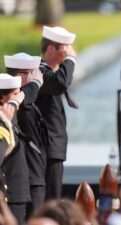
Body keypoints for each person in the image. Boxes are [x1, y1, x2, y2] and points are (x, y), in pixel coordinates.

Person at [35, 26, 77, 199]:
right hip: (47, 147)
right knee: (50, 200)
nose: (68, 53)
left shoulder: (46, 72)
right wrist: (71, 60)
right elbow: (60, 83)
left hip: (52, 148)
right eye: (64, 49)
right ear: (51, 49)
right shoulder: (36, 71)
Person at [4, 52, 48, 216]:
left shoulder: (23, 101)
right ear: (20, 77)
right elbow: (26, 94)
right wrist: (35, 83)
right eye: (33, 72)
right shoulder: (16, 104)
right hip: (28, 181)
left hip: (34, 177)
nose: (38, 76)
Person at [0, 73, 30, 224]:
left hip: (15, 196)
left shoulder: (10, 119)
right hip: (9, 196)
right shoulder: (3, 124)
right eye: (16, 94)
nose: (20, 98)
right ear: (4, 99)